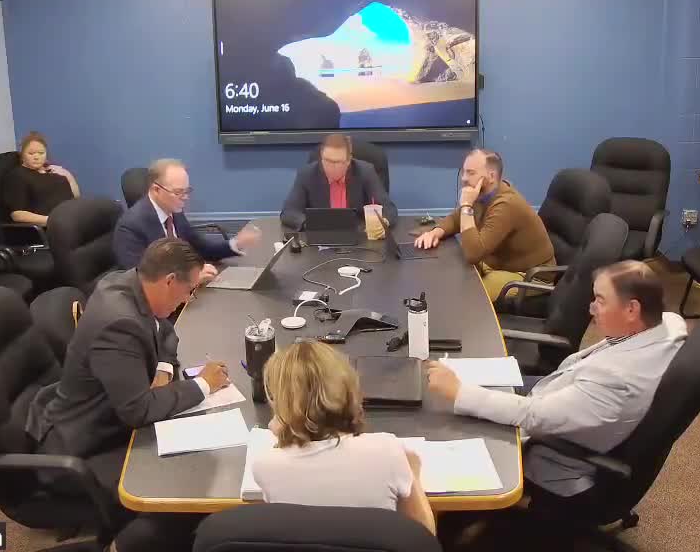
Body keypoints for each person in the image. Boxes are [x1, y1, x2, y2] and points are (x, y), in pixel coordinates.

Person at [25, 238, 231, 552]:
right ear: (169, 280)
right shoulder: (119, 322)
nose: (188, 298)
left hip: (112, 416)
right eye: (188, 290)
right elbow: (138, 410)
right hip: (85, 444)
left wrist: (163, 371)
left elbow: (166, 332)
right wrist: (203, 384)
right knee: (184, 493)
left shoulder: (132, 284)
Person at [426, 261, 687, 504]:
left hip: (554, 455)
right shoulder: (667, 324)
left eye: (600, 301)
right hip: (560, 395)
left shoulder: (616, 380)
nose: (591, 309)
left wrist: (460, 393)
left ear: (632, 309)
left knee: (437, 432)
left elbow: (534, 415)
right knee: (460, 386)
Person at [253, 340, 436, 536]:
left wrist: (285, 430)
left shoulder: (265, 467)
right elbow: (424, 538)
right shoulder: (388, 451)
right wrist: (413, 472)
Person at [413, 149, 554, 300]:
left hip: (529, 275)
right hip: (498, 262)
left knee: (469, 297)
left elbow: (473, 254)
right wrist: (435, 232)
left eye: (471, 173)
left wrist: (466, 205)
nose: (464, 178)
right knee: (449, 273)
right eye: (464, 172)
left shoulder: (506, 205)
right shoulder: (484, 194)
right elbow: (456, 219)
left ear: (491, 176)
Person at [112, 158, 260, 283]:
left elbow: (201, 248)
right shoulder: (130, 226)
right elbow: (142, 281)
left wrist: (236, 243)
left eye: (187, 191)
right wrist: (190, 280)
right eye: (178, 192)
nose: (185, 197)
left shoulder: (174, 210)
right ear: (156, 190)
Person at [280, 134, 397, 231]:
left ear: (348, 161)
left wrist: (383, 222)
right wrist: (311, 224)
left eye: (338, 162)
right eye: (327, 161)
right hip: (321, 238)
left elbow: (389, 210)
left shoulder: (365, 171)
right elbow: (289, 212)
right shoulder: (307, 174)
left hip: (359, 236)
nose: (332, 167)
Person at [3, 131, 80, 226]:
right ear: (22, 155)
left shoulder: (53, 171)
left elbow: (76, 196)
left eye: (41, 153)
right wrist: (53, 221)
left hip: (72, 218)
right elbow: (17, 215)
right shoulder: (17, 176)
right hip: (53, 225)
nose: (36, 157)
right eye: (31, 153)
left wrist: (68, 175)